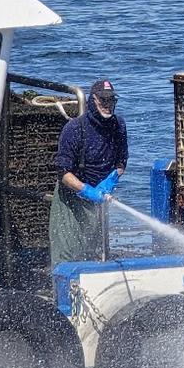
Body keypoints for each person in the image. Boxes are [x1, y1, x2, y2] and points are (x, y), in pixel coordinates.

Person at [49, 79, 128, 270]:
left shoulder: (118, 125)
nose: (107, 105)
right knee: (67, 254)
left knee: (93, 254)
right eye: (103, 100)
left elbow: (122, 162)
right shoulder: (75, 129)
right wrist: (86, 190)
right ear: (92, 100)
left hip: (99, 198)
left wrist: (112, 179)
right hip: (72, 197)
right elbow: (64, 172)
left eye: (111, 100)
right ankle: (63, 297)